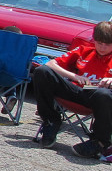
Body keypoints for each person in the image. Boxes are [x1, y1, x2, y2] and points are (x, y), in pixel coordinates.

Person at [34, 21, 112, 158]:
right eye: (99, 43)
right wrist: (74, 76)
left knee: (103, 94)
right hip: (78, 90)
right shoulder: (84, 50)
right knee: (42, 71)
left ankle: (99, 142)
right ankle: (51, 120)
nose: (102, 47)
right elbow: (51, 63)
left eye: (107, 44)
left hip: (98, 98)